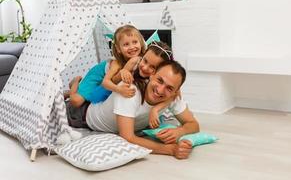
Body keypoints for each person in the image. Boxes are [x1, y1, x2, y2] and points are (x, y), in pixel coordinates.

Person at [67, 60, 200, 159]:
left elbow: (193, 124)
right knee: (65, 104)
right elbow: (128, 137)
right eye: (159, 80)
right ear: (152, 75)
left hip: (100, 107)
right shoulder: (130, 91)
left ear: (176, 92)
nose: (160, 90)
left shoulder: (171, 98)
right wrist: (170, 150)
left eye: (169, 88)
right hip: (82, 115)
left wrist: (180, 131)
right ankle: (74, 86)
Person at [68, 24, 146, 108]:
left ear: (141, 43)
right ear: (118, 49)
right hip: (96, 76)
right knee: (76, 101)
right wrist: (119, 90)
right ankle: (75, 82)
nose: (132, 47)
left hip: (102, 82)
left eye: (135, 42)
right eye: (126, 44)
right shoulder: (116, 63)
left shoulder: (143, 59)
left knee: (89, 94)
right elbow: (105, 82)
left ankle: (70, 92)